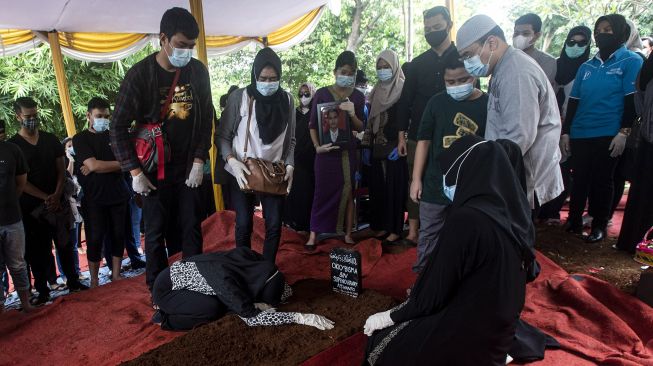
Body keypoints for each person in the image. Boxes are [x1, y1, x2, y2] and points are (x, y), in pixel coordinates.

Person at [363, 135, 532, 365]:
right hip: (501, 331)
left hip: (471, 334)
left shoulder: (467, 219)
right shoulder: (512, 213)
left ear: (465, 172)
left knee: (381, 343)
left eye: (448, 173)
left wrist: (390, 316)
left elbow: (434, 291)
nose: (445, 179)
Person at [110, 7, 213, 292]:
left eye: (191, 46)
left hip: (187, 168)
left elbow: (207, 118)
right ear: (163, 39)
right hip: (153, 171)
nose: (187, 52)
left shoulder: (197, 72)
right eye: (181, 45)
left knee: (191, 227)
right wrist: (134, 172)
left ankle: (194, 285)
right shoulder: (139, 75)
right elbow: (117, 126)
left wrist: (198, 159)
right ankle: (159, 290)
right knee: (155, 233)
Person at [456, 14, 563, 212]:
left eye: (468, 54)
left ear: (492, 43)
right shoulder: (502, 67)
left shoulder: (516, 72)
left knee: (515, 236)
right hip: (512, 169)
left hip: (523, 172)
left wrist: (490, 173)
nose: (466, 62)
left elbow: (519, 136)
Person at [560, 14, 643, 243]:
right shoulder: (586, 66)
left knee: (603, 180)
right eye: (599, 30)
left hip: (609, 132)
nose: (601, 34)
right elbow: (574, 101)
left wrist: (623, 132)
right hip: (581, 131)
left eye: (608, 29)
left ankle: (598, 226)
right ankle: (574, 221)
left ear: (620, 33)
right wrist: (566, 131)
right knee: (580, 178)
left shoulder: (630, 61)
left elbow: (630, 101)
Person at [409, 54, 488, 273]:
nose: (456, 86)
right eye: (450, 82)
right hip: (435, 184)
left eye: (462, 80)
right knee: (429, 235)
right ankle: (423, 283)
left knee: (467, 234)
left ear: (473, 76)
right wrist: (416, 179)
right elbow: (423, 141)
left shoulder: (487, 104)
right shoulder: (436, 102)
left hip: (470, 185)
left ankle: (463, 283)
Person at [217, 47, 295, 263]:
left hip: (273, 171)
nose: (268, 83)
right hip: (243, 169)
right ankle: (244, 266)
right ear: (254, 75)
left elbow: (292, 139)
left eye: (273, 78)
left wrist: (290, 164)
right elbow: (222, 136)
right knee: (243, 222)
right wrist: (231, 161)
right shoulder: (239, 97)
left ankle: (267, 269)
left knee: (274, 223)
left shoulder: (288, 101)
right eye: (263, 78)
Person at [9, 97, 88, 306]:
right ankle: (42, 290)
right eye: (28, 116)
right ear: (18, 116)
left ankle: (73, 281)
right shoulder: (13, 146)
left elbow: (61, 169)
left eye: (35, 114)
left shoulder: (50, 139)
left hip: (57, 201)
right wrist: (45, 197)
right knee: (38, 250)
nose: (33, 119)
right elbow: (20, 182)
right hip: (31, 207)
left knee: (65, 243)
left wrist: (56, 193)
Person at [151, 247, 334, 331]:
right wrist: (300, 317)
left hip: (198, 277)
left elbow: (278, 281)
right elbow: (252, 319)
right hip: (167, 289)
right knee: (213, 309)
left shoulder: (254, 260)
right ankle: (165, 317)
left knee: (222, 301)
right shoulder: (227, 284)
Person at [396, 6, 457, 246]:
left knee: (451, 181)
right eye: (427, 28)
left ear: (449, 25)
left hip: (454, 137)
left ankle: (451, 229)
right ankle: (413, 230)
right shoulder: (417, 64)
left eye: (437, 27)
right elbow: (405, 103)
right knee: (415, 179)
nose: (432, 32)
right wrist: (401, 137)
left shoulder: (461, 58)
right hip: (418, 137)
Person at [305, 51, 365, 249]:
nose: (347, 75)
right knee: (320, 192)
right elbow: (312, 125)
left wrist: (353, 113)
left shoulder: (357, 96)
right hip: (325, 155)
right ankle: (313, 234)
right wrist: (317, 147)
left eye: (351, 72)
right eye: (344, 71)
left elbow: (360, 127)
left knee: (348, 193)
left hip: (347, 155)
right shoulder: (322, 93)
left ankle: (347, 233)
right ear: (335, 71)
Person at [73, 97, 131, 287]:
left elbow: (126, 161)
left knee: (118, 234)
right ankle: (95, 280)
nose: (103, 120)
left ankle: (116, 274)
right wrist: (105, 165)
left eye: (106, 116)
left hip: (118, 194)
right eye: (99, 116)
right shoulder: (80, 138)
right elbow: (93, 164)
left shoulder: (115, 136)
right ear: (89, 115)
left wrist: (98, 166)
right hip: (94, 197)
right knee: (95, 237)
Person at [538, 26, 592, 225]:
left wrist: (567, 128)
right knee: (546, 166)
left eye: (580, 43)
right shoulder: (554, 65)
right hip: (548, 124)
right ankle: (542, 209)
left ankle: (555, 210)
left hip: (574, 126)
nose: (575, 46)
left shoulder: (588, 69)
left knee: (565, 169)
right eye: (571, 42)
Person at [366, 50, 407, 245]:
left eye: (386, 67)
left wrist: (402, 141)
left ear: (395, 67)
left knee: (394, 189)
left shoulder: (402, 88)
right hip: (377, 148)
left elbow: (409, 119)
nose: (382, 71)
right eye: (379, 67)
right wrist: (367, 145)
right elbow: (370, 121)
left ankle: (395, 229)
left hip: (394, 148)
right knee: (379, 189)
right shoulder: (376, 91)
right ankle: (382, 225)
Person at [617, 51, 653, 252]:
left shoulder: (646, 66)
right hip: (647, 140)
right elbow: (639, 98)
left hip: (647, 139)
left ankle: (634, 242)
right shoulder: (647, 67)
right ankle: (639, 243)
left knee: (642, 193)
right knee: (643, 193)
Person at [0, 131, 34, 312]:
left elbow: (21, 182)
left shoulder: (12, 150)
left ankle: (26, 303)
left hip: (12, 217)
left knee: (18, 264)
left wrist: (10, 201)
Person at [283, 82, 317, 233]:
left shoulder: (316, 112)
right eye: (301, 94)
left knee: (309, 192)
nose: (304, 97)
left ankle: (308, 226)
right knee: (294, 191)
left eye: (307, 94)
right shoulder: (293, 113)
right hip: (295, 158)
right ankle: (293, 223)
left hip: (312, 158)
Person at [513, 13, 557, 87]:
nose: (519, 37)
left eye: (525, 33)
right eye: (516, 33)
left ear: (536, 36)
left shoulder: (546, 62)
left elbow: (536, 89)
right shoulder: (507, 58)